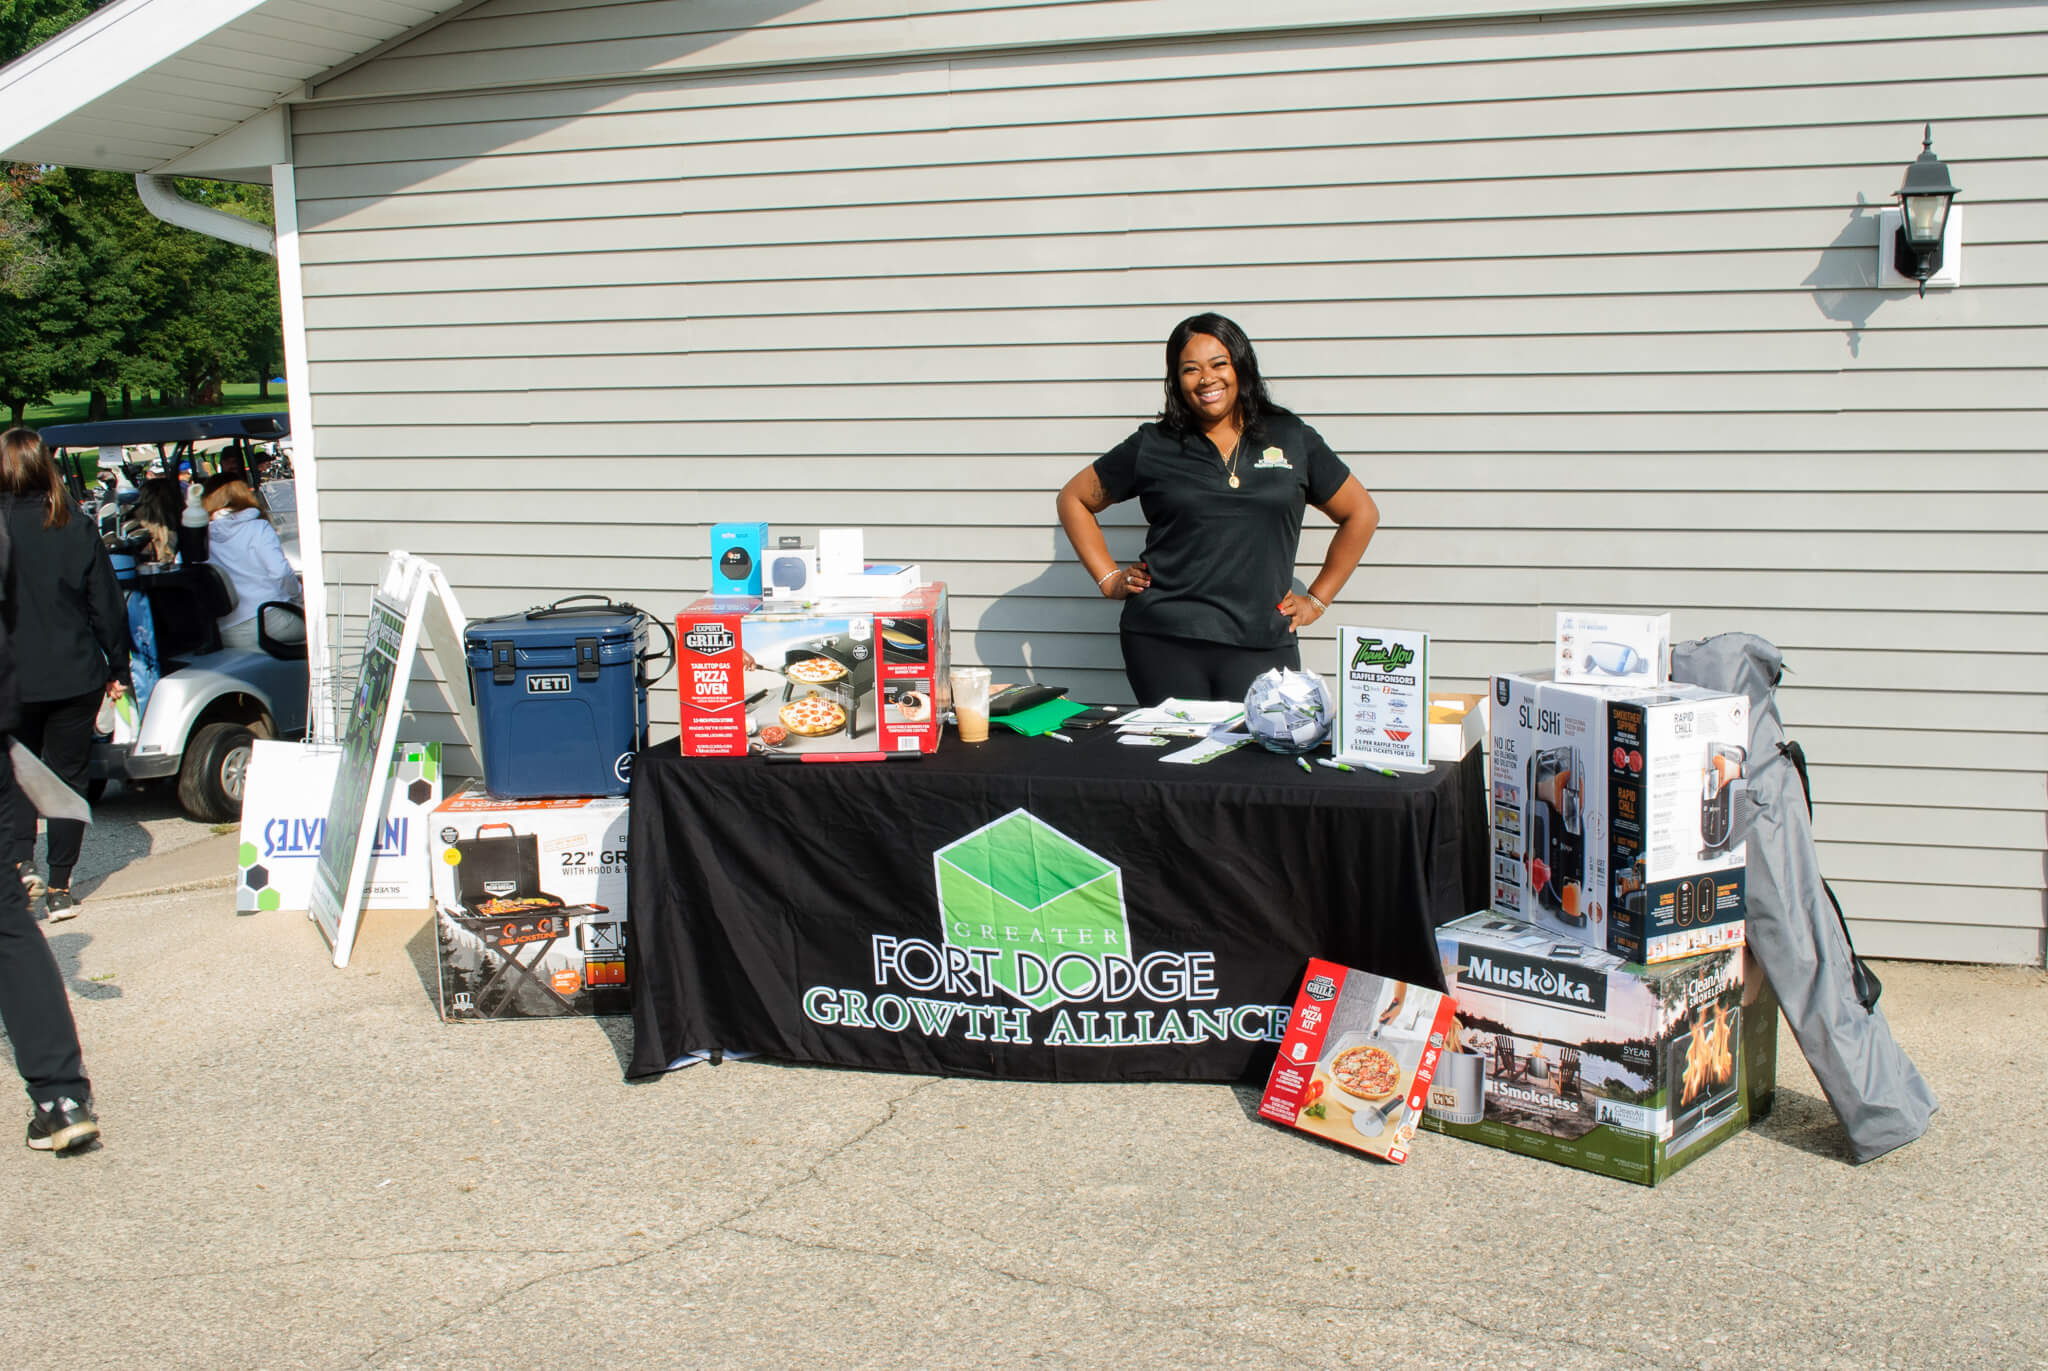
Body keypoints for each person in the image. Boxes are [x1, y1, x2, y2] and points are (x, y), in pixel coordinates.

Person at [1057, 312, 1381, 705]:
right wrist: (1109, 579)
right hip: (1163, 640)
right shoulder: (1154, 444)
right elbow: (1074, 498)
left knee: (1259, 758)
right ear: (1177, 380)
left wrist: (1316, 600)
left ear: (1241, 366)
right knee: (1176, 761)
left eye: (1218, 364)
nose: (1206, 378)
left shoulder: (1291, 437)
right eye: (1190, 369)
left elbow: (1361, 513)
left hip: (1262, 639)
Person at [0, 427, 131, 921]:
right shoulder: (73, 524)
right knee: (67, 777)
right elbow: (107, 605)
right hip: (73, 669)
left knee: (15, 776)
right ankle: (60, 885)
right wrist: (117, 664)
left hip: (10, 673)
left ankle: (18, 865)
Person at [200, 474, 299, 652]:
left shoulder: (202, 537)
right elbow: (281, 573)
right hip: (269, 619)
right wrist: (298, 596)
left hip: (226, 630)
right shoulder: (257, 528)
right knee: (325, 627)